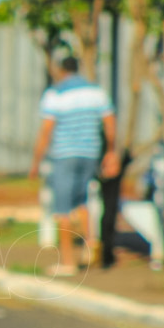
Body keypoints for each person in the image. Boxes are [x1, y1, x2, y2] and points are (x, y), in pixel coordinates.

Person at [30, 55, 120, 276]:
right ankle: (89, 245)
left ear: (61, 70)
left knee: (62, 207)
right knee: (82, 201)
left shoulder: (56, 94)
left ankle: (68, 262)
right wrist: (110, 151)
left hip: (64, 154)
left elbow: (46, 130)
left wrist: (36, 161)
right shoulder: (96, 92)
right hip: (90, 153)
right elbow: (109, 123)